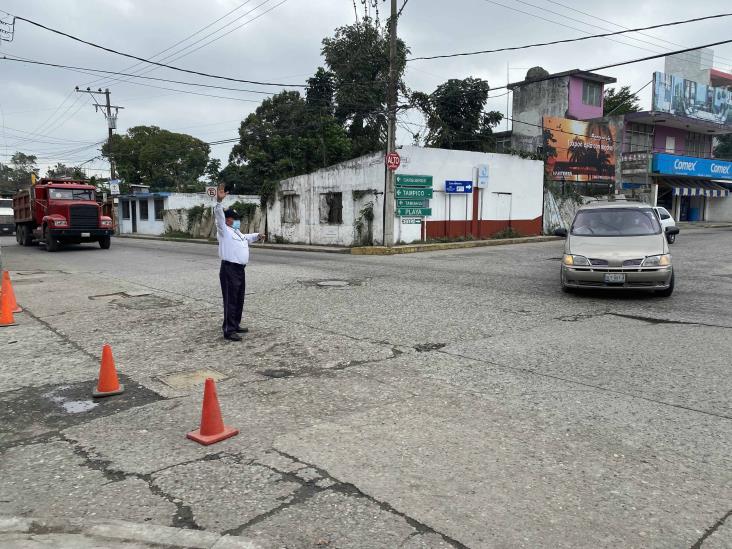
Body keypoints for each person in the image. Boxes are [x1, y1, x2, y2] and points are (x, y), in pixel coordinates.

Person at [214, 183, 265, 341]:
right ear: (228, 219)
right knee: (230, 300)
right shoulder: (223, 230)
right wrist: (218, 202)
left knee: (239, 298)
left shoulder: (236, 231)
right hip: (229, 269)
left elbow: (246, 238)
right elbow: (218, 215)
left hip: (239, 270)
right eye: (234, 219)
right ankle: (228, 330)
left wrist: (257, 236)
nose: (237, 221)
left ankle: (235, 324)